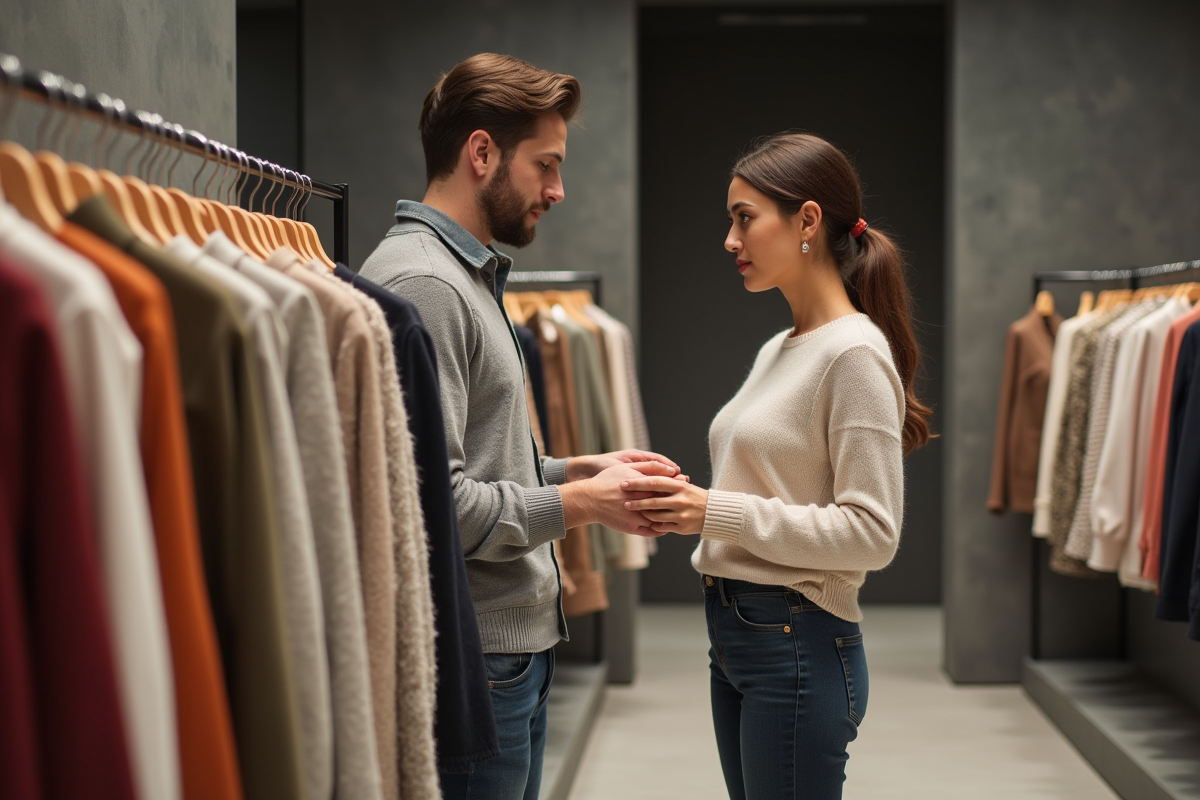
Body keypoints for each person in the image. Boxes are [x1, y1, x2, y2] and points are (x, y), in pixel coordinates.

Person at [357, 53, 679, 800]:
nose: (558, 190)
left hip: (509, 656)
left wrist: (578, 470)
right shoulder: (426, 285)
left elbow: (471, 464)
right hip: (475, 660)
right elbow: (437, 508)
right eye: (547, 165)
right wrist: (584, 506)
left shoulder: (463, 275)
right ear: (481, 153)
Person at [621, 132, 934, 800]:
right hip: (740, 633)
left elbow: (873, 534)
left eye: (743, 217)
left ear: (808, 221)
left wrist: (712, 511)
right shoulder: (782, 346)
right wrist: (686, 504)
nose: (730, 241)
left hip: (796, 639)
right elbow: (769, 484)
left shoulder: (853, 354)